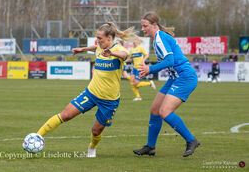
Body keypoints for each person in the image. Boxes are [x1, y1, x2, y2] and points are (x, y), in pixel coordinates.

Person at [36, 22, 137, 158]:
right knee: (66, 115)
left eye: (100, 38)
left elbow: (125, 55)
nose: (98, 41)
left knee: (96, 131)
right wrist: (82, 49)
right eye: (97, 37)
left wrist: (112, 53)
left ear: (109, 38)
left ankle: (92, 147)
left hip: (109, 100)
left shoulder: (118, 49)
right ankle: (37, 136)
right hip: (91, 93)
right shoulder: (100, 47)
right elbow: (95, 47)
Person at [133, 12, 200, 157]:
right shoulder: (157, 38)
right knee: (155, 110)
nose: (143, 29)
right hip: (174, 78)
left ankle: (191, 140)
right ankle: (150, 147)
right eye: (142, 26)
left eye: (145, 26)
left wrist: (150, 69)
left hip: (184, 77)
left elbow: (169, 61)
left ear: (154, 25)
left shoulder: (159, 38)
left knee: (165, 112)